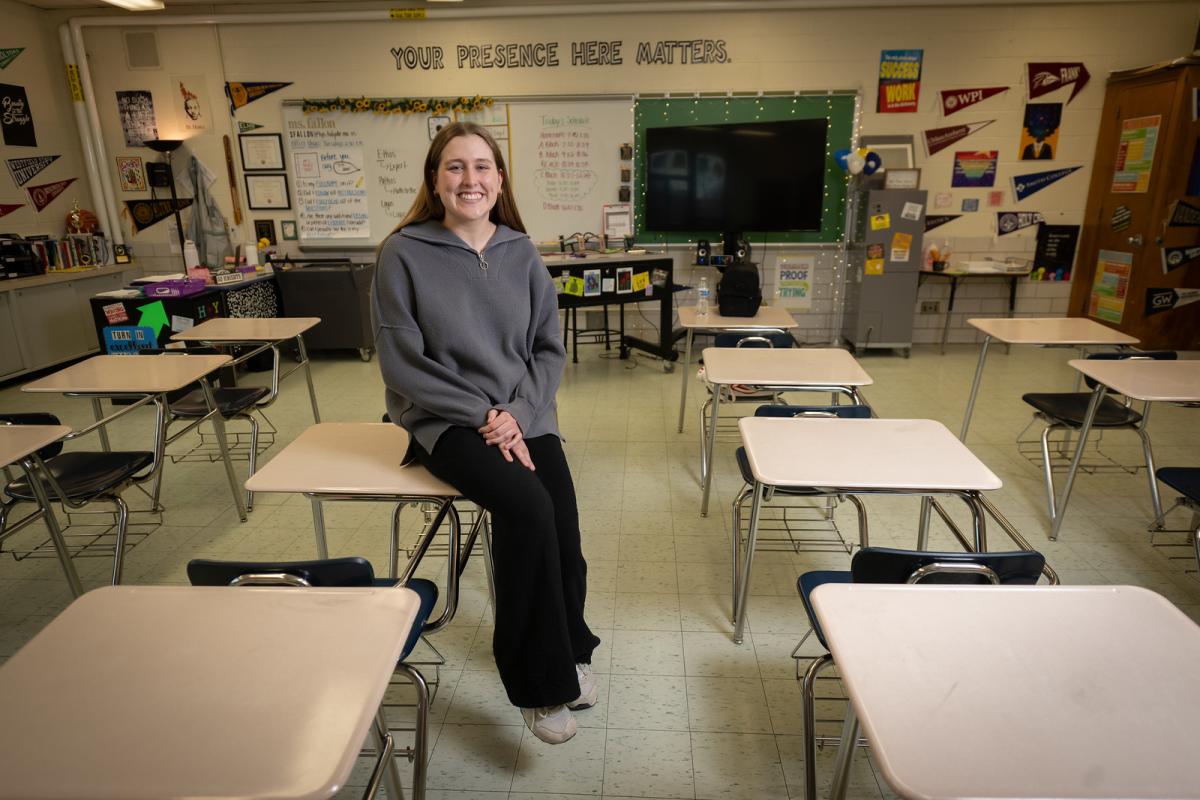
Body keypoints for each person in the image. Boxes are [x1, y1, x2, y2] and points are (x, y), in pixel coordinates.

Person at [371, 122, 600, 745]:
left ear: (499, 180)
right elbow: (402, 363)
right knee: (526, 508)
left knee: (563, 522)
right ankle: (538, 685)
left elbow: (548, 350)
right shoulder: (402, 253)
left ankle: (571, 647)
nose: (469, 179)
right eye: (455, 167)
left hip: (524, 416)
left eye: (481, 167)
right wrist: (484, 416)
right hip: (446, 420)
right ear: (434, 180)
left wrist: (517, 415)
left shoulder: (521, 252)